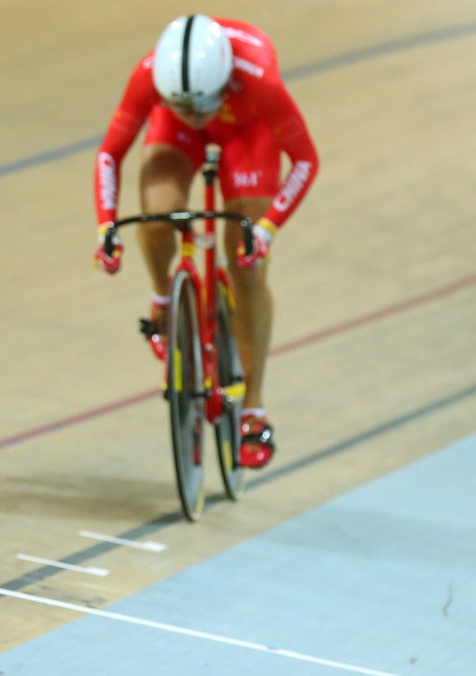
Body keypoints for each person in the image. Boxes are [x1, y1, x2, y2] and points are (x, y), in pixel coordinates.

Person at [91, 14, 319, 469]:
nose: (195, 116)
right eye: (184, 106)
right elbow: (109, 154)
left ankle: (253, 408)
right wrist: (106, 229)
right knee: (157, 217)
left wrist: (267, 228)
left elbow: (306, 160)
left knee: (247, 263)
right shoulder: (151, 76)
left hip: (246, 132)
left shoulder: (259, 82)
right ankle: (162, 302)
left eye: (200, 106)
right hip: (174, 134)